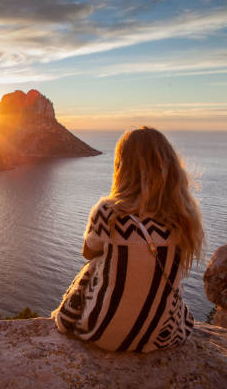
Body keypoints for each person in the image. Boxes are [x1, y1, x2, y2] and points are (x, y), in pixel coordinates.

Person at [52, 126, 204, 353]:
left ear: (122, 167)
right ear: (170, 168)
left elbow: (88, 252)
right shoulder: (184, 218)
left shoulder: (108, 212)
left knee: (93, 266)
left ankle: (68, 318)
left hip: (99, 332)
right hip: (160, 338)